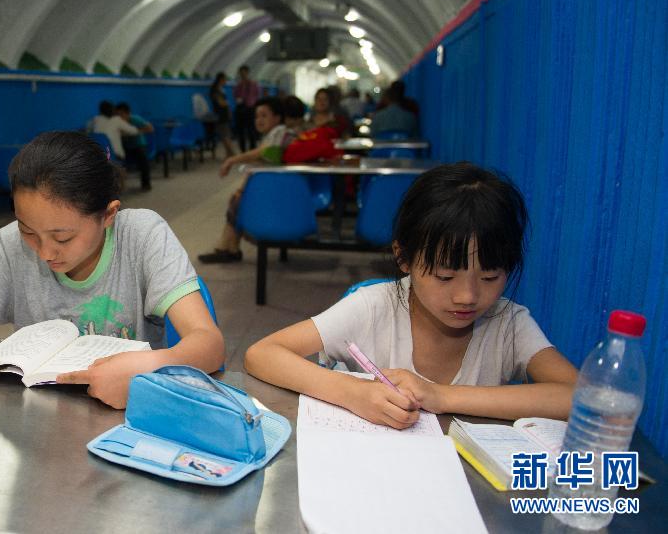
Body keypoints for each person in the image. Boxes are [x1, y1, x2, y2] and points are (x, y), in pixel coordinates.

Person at [244, 162, 577, 428]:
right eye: (445, 276)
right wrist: (352, 392)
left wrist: (441, 396)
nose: (467, 296)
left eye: (490, 276)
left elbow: (579, 397)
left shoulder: (508, 324)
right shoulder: (376, 306)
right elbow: (262, 354)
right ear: (404, 258)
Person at [0, 131, 225, 408]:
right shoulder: (10, 245)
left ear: (108, 215)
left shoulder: (143, 236)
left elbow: (209, 344)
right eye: (28, 231)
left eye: (63, 237)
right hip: (39, 414)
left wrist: (152, 366)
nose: (46, 252)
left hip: (126, 411)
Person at [197, 96, 304, 264]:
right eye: (256, 116)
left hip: (281, 190)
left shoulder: (281, 132)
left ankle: (229, 248)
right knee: (237, 200)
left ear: (277, 118)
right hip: (276, 186)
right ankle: (229, 247)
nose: (259, 120)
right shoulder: (274, 134)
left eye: (264, 115)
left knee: (238, 202)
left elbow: (263, 154)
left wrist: (232, 160)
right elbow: (262, 162)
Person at [114, 102, 152, 191]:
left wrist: (136, 132)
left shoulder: (135, 119)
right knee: (117, 161)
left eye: (121, 114)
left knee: (143, 162)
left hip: (138, 145)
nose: (119, 117)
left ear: (127, 113)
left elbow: (150, 128)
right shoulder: (117, 122)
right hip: (125, 147)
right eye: (117, 114)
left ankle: (146, 184)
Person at [232, 65, 260, 152]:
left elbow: (256, 95)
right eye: (241, 73)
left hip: (250, 109)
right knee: (241, 131)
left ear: (247, 73)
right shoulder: (238, 85)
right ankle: (243, 150)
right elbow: (235, 96)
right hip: (241, 109)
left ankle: (252, 149)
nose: (243, 75)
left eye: (244, 73)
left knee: (251, 130)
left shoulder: (253, 84)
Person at [209, 72, 236, 158]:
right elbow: (220, 102)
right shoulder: (215, 90)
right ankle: (231, 152)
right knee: (225, 134)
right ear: (221, 79)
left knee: (226, 134)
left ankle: (229, 153)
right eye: (225, 79)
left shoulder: (220, 89)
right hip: (220, 114)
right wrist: (226, 104)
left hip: (223, 114)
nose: (226, 81)